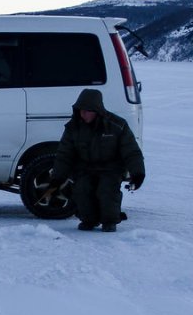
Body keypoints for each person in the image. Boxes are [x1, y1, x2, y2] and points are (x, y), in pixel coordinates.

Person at [49, 89, 145, 232]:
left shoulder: (117, 125)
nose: (83, 114)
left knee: (106, 191)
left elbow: (131, 151)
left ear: (97, 110)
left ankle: (109, 221)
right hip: (84, 168)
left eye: (87, 111)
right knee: (82, 190)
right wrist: (57, 178)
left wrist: (138, 174)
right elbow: (65, 154)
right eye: (81, 110)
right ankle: (89, 220)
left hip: (111, 168)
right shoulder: (73, 127)